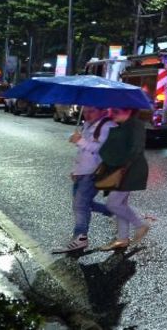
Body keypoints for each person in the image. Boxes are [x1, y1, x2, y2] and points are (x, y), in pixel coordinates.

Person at [52, 106, 116, 254]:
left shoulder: (107, 125)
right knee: (85, 204)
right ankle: (115, 211)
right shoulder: (88, 124)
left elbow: (101, 149)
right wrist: (76, 170)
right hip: (82, 171)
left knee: (80, 205)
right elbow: (83, 152)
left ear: (102, 110)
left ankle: (80, 237)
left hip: (93, 172)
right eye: (85, 111)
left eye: (92, 110)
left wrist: (80, 140)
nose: (87, 114)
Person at [98, 107, 151, 251]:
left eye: (115, 111)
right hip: (122, 170)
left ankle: (140, 225)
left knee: (113, 204)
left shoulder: (136, 125)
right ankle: (122, 238)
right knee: (121, 204)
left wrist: (119, 163)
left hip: (129, 171)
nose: (111, 114)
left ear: (127, 110)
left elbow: (136, 149)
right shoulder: (121, 125)